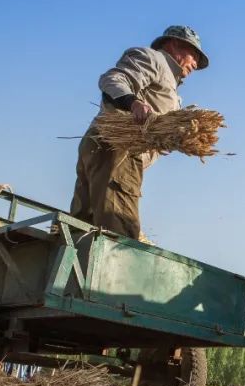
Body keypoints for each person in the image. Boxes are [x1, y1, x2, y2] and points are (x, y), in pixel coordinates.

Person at [70, 25, 210, 239]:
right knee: (118, 231)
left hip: (103, 148)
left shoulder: (171, 86)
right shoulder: (154, 59)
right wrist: (134, 103)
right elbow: (112, 81)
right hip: (117, 149)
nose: (196, 64)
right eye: (195, 56)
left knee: (82, 228)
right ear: (175, 44)